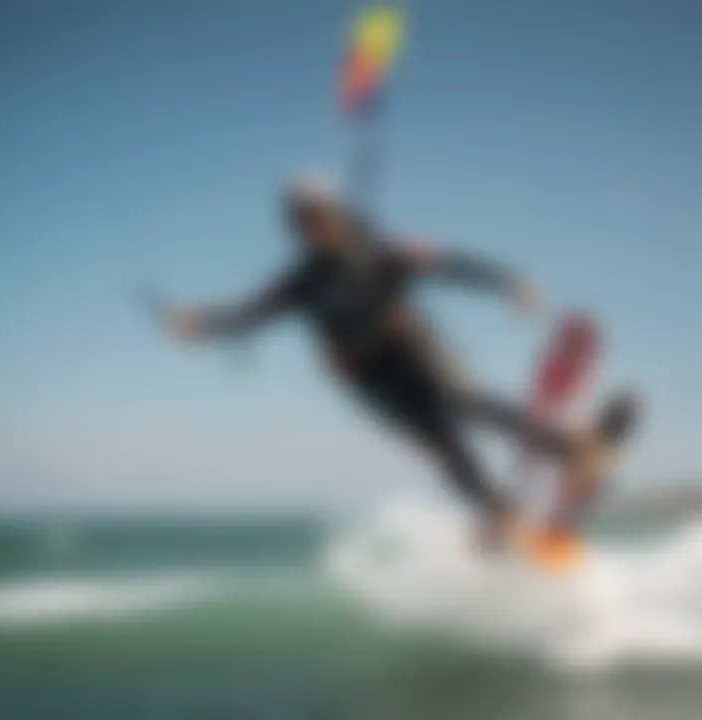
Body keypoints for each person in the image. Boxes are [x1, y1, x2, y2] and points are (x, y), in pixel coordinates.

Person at [162, 176, 632, 548]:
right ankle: (497, 514)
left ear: (337, 213)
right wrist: (200, 324)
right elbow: (251, 313)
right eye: (304, 220)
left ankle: (573, 453)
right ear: (296, 227)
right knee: (438, 441)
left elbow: (451, 265)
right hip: (370, 379)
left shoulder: (383, 253)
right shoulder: (300, 281)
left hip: (412, 349)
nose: (314, 224)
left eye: (320, 214)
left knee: (464, 400)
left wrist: (510, 283)